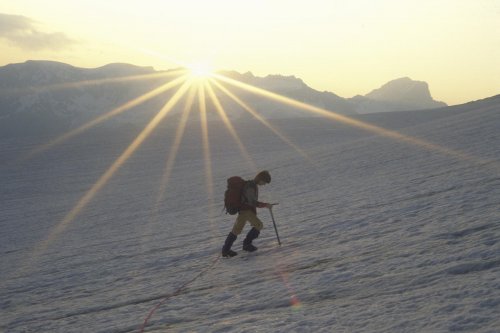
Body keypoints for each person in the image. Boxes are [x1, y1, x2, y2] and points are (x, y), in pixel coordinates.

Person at [221, 170, 272, 257]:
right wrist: (265, 205)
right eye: (264, 182)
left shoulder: (251, 185)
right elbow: (252, 202)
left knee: (236, 230)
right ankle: (247, 245)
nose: (264, 184)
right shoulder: (251, 186)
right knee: (259, 225)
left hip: (243, 211)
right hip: (246, 211)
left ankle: (226, 250)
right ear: (261, 179)